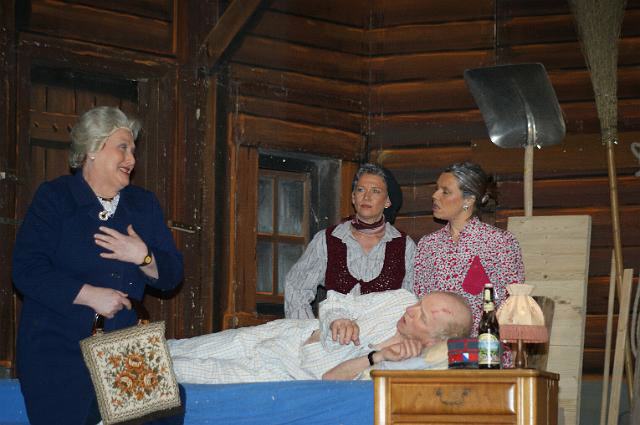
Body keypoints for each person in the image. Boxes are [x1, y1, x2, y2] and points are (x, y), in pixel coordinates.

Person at [12, 106, 184, 425]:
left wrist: (143, 256)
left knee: (162, 409)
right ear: (92, 149)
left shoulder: (143, 205)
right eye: (122, 147)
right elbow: (26, 270)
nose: (132, 159)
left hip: (122, 349)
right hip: (58, 351)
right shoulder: (55, 198)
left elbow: (172, 275)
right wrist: (89, 295)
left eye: (133, 150)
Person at [168, 289, 472, 384]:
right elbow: (338, 300)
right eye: (419, 303)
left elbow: (330, 380)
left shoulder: (407, 366)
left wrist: (376, 358)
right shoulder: (399, 299)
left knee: (178, 371)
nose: (410, 309)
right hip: (288, 333)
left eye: (422, 315)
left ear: (433, 341)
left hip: (283, 373)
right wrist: (338, 318)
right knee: (179, 347)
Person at [284, 163, 416, 319]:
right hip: (335, 332)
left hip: (384, 333)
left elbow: (412, 302)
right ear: (353, 197)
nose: (366, 197)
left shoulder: (404, 246)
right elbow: (296, 288)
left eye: (375, 191)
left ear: (388, 201)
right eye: (361, 190)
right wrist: (310, 329)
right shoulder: (328, 239)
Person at [413, 161, 525, 336]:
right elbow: (421, 298)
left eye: (445, 191)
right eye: (436, 189)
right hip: (436, 343)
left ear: (468, 200)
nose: (435, 195)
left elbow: (511, 303)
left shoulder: (500, 242)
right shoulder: (428, 244)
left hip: (484, 344)